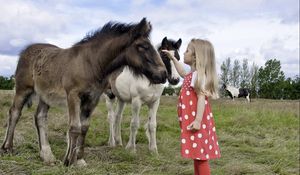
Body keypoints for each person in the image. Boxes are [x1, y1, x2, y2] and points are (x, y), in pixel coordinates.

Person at [162, 39, 220, 175]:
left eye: (187, 50)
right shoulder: (192, 75)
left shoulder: (198, 76)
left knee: (201, 157)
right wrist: (172, 58)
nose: (184, 52)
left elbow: (201, 97)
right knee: (197, 155)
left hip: (197, 122)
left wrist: (198, 120)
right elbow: (182, 72)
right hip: (193, 121)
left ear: (195, 57)